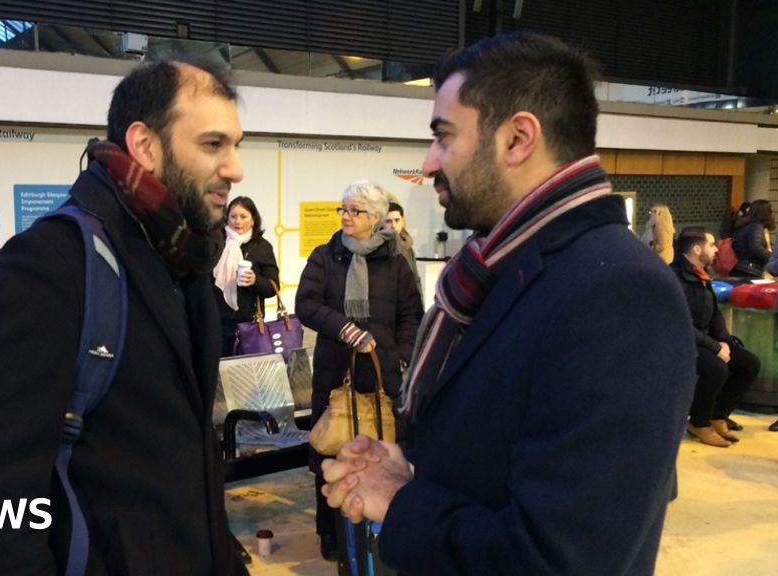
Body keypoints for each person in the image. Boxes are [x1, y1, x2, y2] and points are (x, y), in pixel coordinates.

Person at [319, 33, 695, 575]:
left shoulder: (618, 294)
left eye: (444, 138)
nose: (428, 163)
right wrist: (413, 473)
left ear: (518, 138)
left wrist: (404, 503)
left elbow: (559, 559)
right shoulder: (498, 271)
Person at [0, 59, 249, 575]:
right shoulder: (56, 262)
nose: (235, 168)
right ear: (145, 145)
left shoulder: (183, 260)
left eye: (236, 145)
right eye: (213, 145)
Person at [295, 180, 422, 560]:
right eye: (343, 210)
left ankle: (377, 533)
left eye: (355, 211)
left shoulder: (395, 262)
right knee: (334, 450)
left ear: (377, 218)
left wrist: (399, 354)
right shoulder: (325, 255)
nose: (346, 217)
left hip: (383, 376)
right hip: (336, 374)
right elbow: (307, 303)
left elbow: (411, 315)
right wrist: (347, 330)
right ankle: (332, 535)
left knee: (379, 453)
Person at [672, 227, 760, 447]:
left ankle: (717, 415)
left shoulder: (702, 275)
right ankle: (699, 423)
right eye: (712, 245)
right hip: (681, 343)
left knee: (749, 363)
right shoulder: (674, 277)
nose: (716, 250)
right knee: (716, 368)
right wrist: (714, 346)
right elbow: (681, 324)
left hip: (704, 340)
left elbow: (714, 315)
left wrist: (725, 341)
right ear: (696, 248)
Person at [212, 196, 279, 356]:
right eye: (233, 216)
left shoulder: (262, 246)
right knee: (218, 375)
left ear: (253, 220)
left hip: (249, 324)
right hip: (216, 323)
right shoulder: (216, 243)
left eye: (243, 217)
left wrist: (255, 280)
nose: (238, 221)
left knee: (247, 376)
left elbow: (273, 288)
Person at [730, 199, 773, 278]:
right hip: (750, 269)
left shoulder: (744, 225)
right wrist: (772, 257)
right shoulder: (756, 227)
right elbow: (756, 247)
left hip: (740, 267)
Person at [384, 201, 422, 289]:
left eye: (397, 220)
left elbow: (415, 278)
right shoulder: (375, 246)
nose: (393, 225)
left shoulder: (407, 245)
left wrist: (419, 300)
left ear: (402, 221)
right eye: (388, 221)